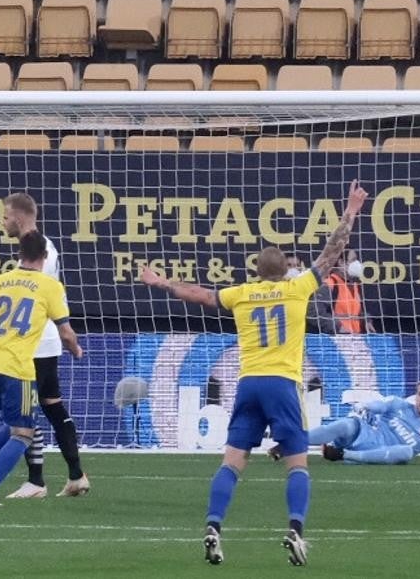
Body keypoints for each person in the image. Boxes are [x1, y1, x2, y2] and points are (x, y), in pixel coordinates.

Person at [140, 179, 370, 567]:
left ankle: (214, 525)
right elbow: (332, 253)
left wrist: (162, 282)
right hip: (282, 384)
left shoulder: (241, 293)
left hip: (248, 385)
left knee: (232, 461)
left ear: (256, 271)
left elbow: (201, 295)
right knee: (298, 464)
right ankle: (296, 530)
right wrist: (350, 211)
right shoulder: (299, 290)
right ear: (286, 272)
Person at [0, 230, 82, 507]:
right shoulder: (50, 286)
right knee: (23, 433)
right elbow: (66, 332)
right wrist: (76, 350)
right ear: (45, 257)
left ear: (18, 254)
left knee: (16, 423)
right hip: (17, 366)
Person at [0, 192, 90, 499]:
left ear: (19, 218)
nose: (2, 221)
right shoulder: (41, 248)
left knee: (30, 410)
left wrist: (69, 336)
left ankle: (36, 481)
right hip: (42, 339)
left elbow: (44, 297)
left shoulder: (41, 253)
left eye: (5, 215)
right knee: (51, 405)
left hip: (35, 341)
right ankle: (75, 475)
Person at [274, 378, 420, 465]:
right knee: (345, 425)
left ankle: (342, 456)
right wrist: (365, 406)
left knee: (406, 453)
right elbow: (379, 405)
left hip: (373, 453)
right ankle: (290, 444)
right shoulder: (398, 404)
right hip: (362, 434)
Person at [316, 249, 376, 334]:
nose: (357, 263)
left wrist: (366, 321)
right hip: (335, 340)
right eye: (353, 260)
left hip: (354, 339)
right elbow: (316, 313)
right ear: (341, 262)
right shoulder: (329, 284)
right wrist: (337, 327)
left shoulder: (354, 285)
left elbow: (356, 312)